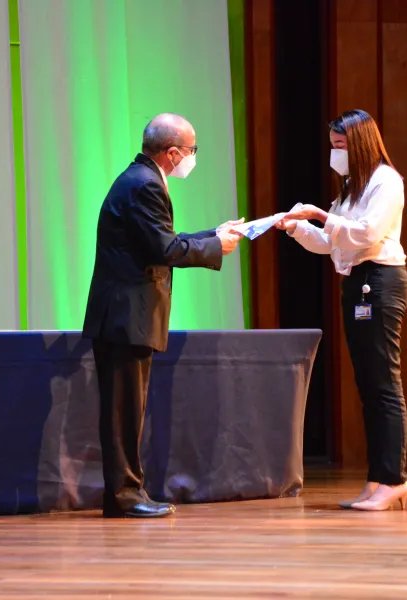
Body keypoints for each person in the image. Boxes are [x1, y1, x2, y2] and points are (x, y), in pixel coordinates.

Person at [83, 113, 244, 518]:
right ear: (172, 153)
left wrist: (213, 236)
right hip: (126, 317)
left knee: (127, 412)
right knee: (123, 414)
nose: (192, 157)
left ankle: (127, 494)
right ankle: (125, 496)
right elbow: (164, 249)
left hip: (127, 317)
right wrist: (215, 248)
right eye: (191, 150)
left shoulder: (140, 178)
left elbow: (160, 240)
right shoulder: (145, 184)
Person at [275, 109, 407, 511]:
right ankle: (378, 479)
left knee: (384, 384)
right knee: (369, 386)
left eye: (341, 146)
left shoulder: (386, 181)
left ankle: (393, 479)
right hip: (357, 282)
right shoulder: (353, 186)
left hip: (381, 281)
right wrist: (297, 227)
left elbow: (367, 233)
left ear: (360, 144)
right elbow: (334, 242)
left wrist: (320, 214)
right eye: (333, 145)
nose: (336, 153)